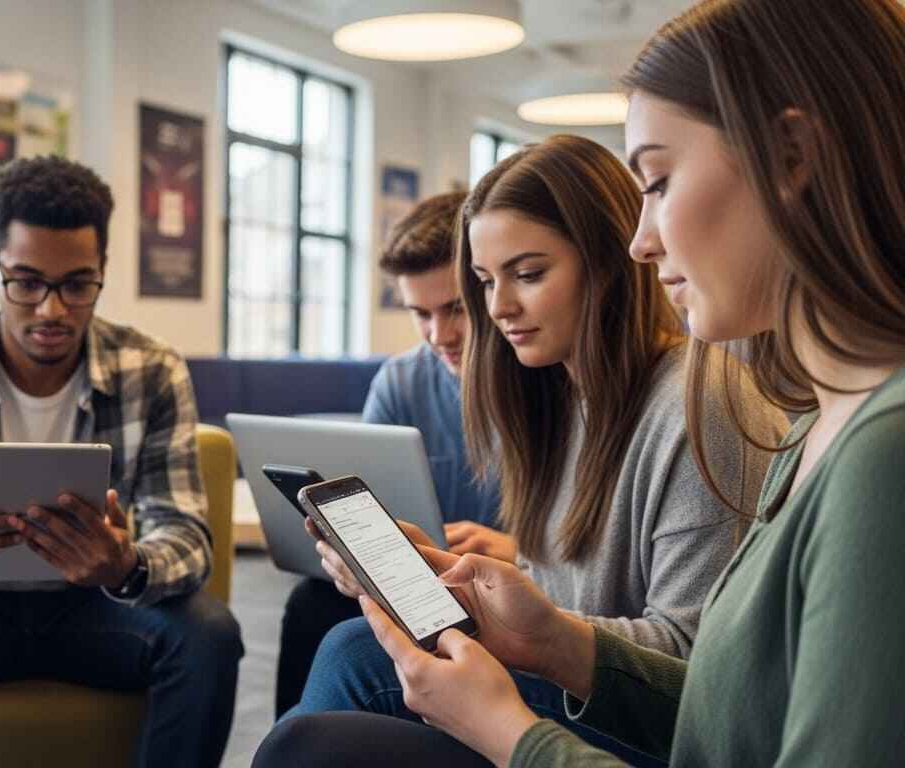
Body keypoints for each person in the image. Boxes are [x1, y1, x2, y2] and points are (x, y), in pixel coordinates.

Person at [254, 1, 905, 765]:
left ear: (793, 156)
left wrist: (509, 731)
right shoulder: (812, 431)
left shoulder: (868, 454)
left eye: (657, 181)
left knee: (327, 719)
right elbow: (731, 715)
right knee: (335, 689)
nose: (642, 240)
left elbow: (710, 679)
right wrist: (554, 639)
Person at [271, 133, 786, 764]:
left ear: (607, 261)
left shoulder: (698, 402)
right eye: (486, 281)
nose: (500, 307)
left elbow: (691, 661)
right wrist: (448, 578)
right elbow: (560, 596)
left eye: (529, 274)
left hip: (655, 728)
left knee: (338, 683)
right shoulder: (557, 403)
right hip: (572, 679)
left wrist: (531, 628)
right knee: (340, 665)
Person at [0, 154, 243, 768]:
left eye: (76, 285)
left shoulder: (151, 369)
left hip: (97, 609)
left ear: (102, 270)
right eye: (26, 282)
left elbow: (185, 534)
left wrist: (126, 564)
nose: (51, 310)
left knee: (208, 634)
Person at [273, 192, 504, 717]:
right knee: (310, 605)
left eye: (455, 310)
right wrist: (354, 560)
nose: (439, 335)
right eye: (420, 314)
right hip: (422, 584)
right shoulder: (401, 381)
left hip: (514, 589)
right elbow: (375, 516)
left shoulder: (539, 376)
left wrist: (512, 548)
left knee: (348, 646)